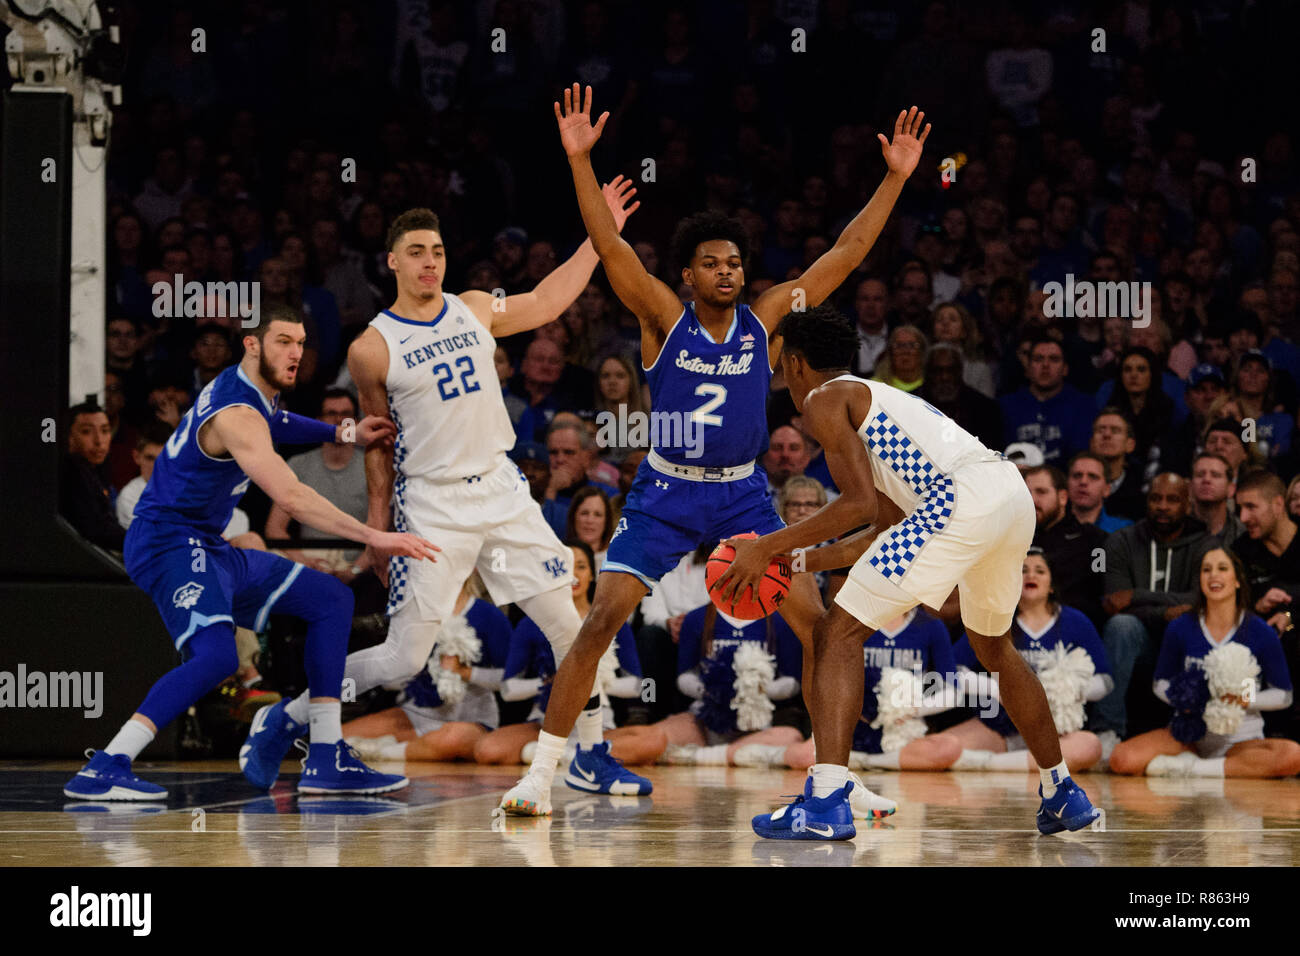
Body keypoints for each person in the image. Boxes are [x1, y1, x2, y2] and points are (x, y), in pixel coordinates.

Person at [498, 88, 930, 817]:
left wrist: (895, 176)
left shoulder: (766, 321)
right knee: (600, 618)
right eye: (711, 263)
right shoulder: (662, 315)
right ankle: (544, 772)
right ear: (689, 274)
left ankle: (835, 779)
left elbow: (847, 254)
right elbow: (609, 247)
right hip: (666, 492)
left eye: (735, 261)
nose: (726, 271)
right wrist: (579, 160)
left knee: (823, 625)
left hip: (742, 493)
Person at [245, 188, 648, 798]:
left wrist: (600, 239)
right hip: (434, 504)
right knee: (403, 658)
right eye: (416, 252)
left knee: (573, 627)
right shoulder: (371, 347)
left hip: (503, 492)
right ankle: (286, 717)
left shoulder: (475, 306)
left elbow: (546, 299)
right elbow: (378, 443)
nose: (430, 262)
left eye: (436, 251)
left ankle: (590, 752)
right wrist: (378, 529)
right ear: (393, 263)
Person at [718, 305, 1101, 840]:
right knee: (994, 648)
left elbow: (851, 506)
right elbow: (880, 527)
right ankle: (1061, 790)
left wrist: (766, 549)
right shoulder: (874, 403)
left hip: (960, 500)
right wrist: (795, 560)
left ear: (797, 362)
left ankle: (826, 800)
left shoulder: (823, 400)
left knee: (835, 633)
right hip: (1009, 496)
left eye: (779, 357)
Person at [64, 305, 437, 801]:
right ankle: (106, 766)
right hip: (167, 541)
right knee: (216, 657)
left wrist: (341, 432)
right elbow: (292, 497)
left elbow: (277, 421)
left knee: (330, 600)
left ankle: (325, 755)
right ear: (253, 344)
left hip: (207, 543)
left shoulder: (247, 392)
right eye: (283, 341)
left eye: (301, 343)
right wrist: (375, 536)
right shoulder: (238, 413)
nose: (295, 353)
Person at [474, 543, 665, 773]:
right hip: (544, 724)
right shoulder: (531, 622)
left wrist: (593, 679)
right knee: (487, 749)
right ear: (553, 571)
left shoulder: (614, 622)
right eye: (565, 566)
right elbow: (507, 690)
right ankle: (577, 755)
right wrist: (550, 683)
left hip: (601, 727)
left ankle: (560, 755)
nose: (573, 574)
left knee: (655, 741)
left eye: (581, 567)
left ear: (593, 574)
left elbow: (641, 687)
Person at [1109, 548, 1300, 778]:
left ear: (1238, 580)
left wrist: (1244, 698)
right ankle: (1205, 764)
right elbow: (1160, 683)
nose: (1213, 576)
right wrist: (1186, 697)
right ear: (1199, 580)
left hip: (1240, 739)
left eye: (1222, 568)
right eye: (1206, 570)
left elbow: (1284, 695)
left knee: (1293, 755)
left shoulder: (1259, 630)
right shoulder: (1181, 627)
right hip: (1188, 733)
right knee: (1121, 759)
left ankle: (1194, 768)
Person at [941, 549, 1109, 773]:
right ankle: (1018, 763)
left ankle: (989, 765)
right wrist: (998, 690)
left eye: (1040, 571)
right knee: (939, 749)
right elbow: (951, 670)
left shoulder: (1075, 621)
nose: (1031, 576)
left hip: (1057, 731)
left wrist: (1065, 689)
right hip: (999, 727)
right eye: (1022, 571)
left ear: (1051, 585)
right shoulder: (995, 619)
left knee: (1089, 747)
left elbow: (1106, 681)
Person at [1093, 473, 1216, 751]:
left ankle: (1201, 733)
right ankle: (1106, 732)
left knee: (1192, 622)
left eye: (1172, 500)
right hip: (1140, 644)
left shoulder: (1205, 544)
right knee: (1121, 625)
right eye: (1156, 498)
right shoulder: (1121, 541)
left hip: (1184, 642)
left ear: (1188, 505)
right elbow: (1114, 603)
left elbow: (1203, 598)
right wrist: (1165, 612)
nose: (1162, 506)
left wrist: (1136, 596)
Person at [344, 573, 512, 763]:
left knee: (452, 738)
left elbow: (510, 682)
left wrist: (465, 672)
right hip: (416, 714)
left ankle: (383, 753)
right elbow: (392, 681)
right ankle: (410, 747)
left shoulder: (488, 615)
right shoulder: (412, 615)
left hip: (470, 721)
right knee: (336, 738)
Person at [1025, 463, 1107, 626]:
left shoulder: (1095, 541)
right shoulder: (1012, 540)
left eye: (1041, 492)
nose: (1032, 499)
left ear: (1062, 497)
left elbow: (1102, 594)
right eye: (1026, 493)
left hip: (1074, 629)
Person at [999, 336, 1095, 466]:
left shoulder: (1084, 406)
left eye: (1054, 359)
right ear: (1027, 368)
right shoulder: (1005, 406)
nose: (1045, 365)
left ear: (1065, 369)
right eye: (1038, 359)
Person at [60, 403, 126, 552]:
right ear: (69, 436)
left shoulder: (97, 470)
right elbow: (97, 530)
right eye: (86, 432)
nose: (99, 441)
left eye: (105, 431)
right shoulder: (72, 471)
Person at [1190, 452, 1245, 546]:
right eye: (1200, 475)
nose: (1206, 480)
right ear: (1190, 487)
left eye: (1215, 475)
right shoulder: (1175, 530)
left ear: (1231, 489)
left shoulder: (1243, 534)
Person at [566, 485, 615, 568]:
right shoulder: (560, 556)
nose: (590, 520)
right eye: (584, 513)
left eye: (597, 515)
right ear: (573, 517)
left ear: (606, 521)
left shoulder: (617, 562)